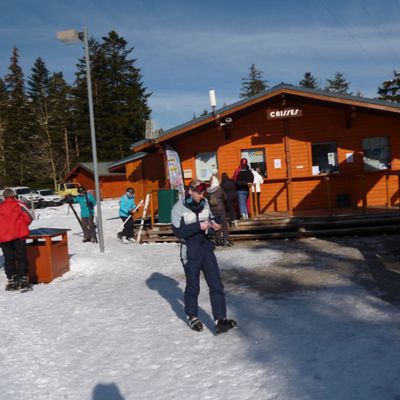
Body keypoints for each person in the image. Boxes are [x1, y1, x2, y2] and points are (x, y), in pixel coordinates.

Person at [171, 179, 237, 334]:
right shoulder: (178, 208)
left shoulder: (205, 203)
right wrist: (198, 226)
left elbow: (209, 222)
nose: (202, 195)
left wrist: (214, 226)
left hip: (206, 248)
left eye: (203, 193)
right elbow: (178, 232)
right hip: (190, 250)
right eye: (199, 193)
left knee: (216, 284)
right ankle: (192, 316)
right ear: (190, 191)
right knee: (194, 286)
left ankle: (220, 319)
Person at [0, 188, 33, 291]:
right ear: (13, 195)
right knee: (21, 257)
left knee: (9, 259)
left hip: (4, 236)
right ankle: (22, 278)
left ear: (4, 196)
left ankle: (11, 279)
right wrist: (22, 225)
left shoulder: (0, 206)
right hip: (19, 234)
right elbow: (29, 217)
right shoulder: (19, 204)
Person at [207, 172, 233, 247]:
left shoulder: (208, 192)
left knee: (216, 224)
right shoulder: (220, 190)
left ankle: (218, 240)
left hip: (212, 210)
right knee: (224, 225)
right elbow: (226, 198)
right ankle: (225, 240)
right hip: (221, 209)